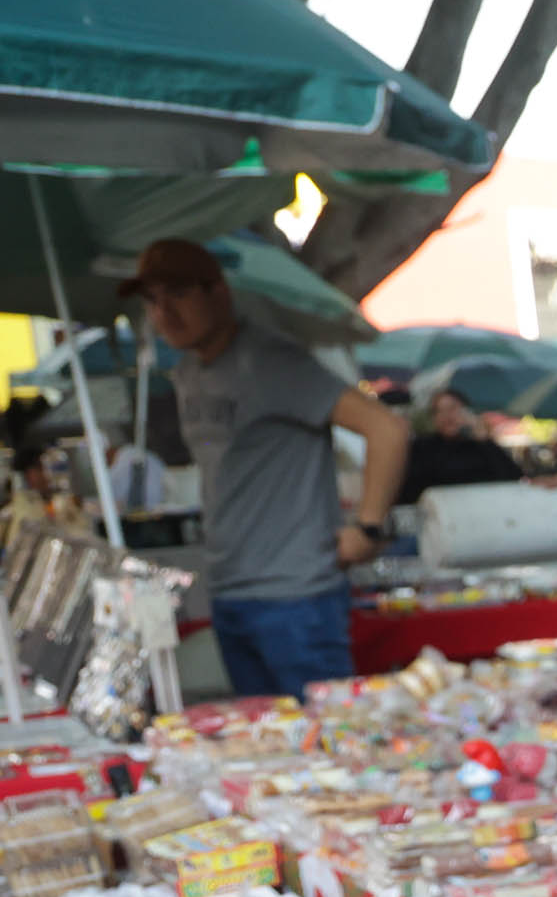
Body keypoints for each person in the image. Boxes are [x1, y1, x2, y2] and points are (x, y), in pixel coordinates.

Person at [126, 237, 407, 699]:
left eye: (177, 294)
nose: (164, 312)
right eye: (152, 300)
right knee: (269, 753)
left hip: (297, 598)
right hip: (230, 591)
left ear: (218, 292)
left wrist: (369, 528)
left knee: (326, 752)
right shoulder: (189, 374)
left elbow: (387, 429)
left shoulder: (272, 361)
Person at [398, 381, 529, 504]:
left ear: (466, 411)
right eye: (439, 411)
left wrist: (484, 440)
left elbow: (513, 478)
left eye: (452, 408)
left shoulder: (481, 445)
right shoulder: (422, 448)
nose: (447, 416)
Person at [99, 430, 170, 515]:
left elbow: (111, 493)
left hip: (147, 514)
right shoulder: (132, 453)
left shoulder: (125, 457)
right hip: (155, 510)